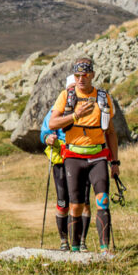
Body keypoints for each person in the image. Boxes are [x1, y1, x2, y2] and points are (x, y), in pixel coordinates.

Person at [48, 57, 121, 254]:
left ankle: (105, 249)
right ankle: (74, 249)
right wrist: (75, 116)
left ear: (92, 75)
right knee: (76, 205)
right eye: (78, 75)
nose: (81, 79)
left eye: (85, 75)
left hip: (98, 156)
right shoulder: (66, 96)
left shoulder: (103, 98)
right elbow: (52, 124)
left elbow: (111, 132)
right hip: (73, 156)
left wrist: (115, 161)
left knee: (103, 200)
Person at [41, 75, 91, 251]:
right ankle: (64, 241)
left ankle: (81, 241)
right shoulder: (56, 109)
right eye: (70, 88)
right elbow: (44, 132)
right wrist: (48, 138)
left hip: (82, 156)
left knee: (84, 201)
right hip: (61, 158)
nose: (73, 92)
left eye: (75, 88)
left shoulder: (88, 107)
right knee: (63, 201)